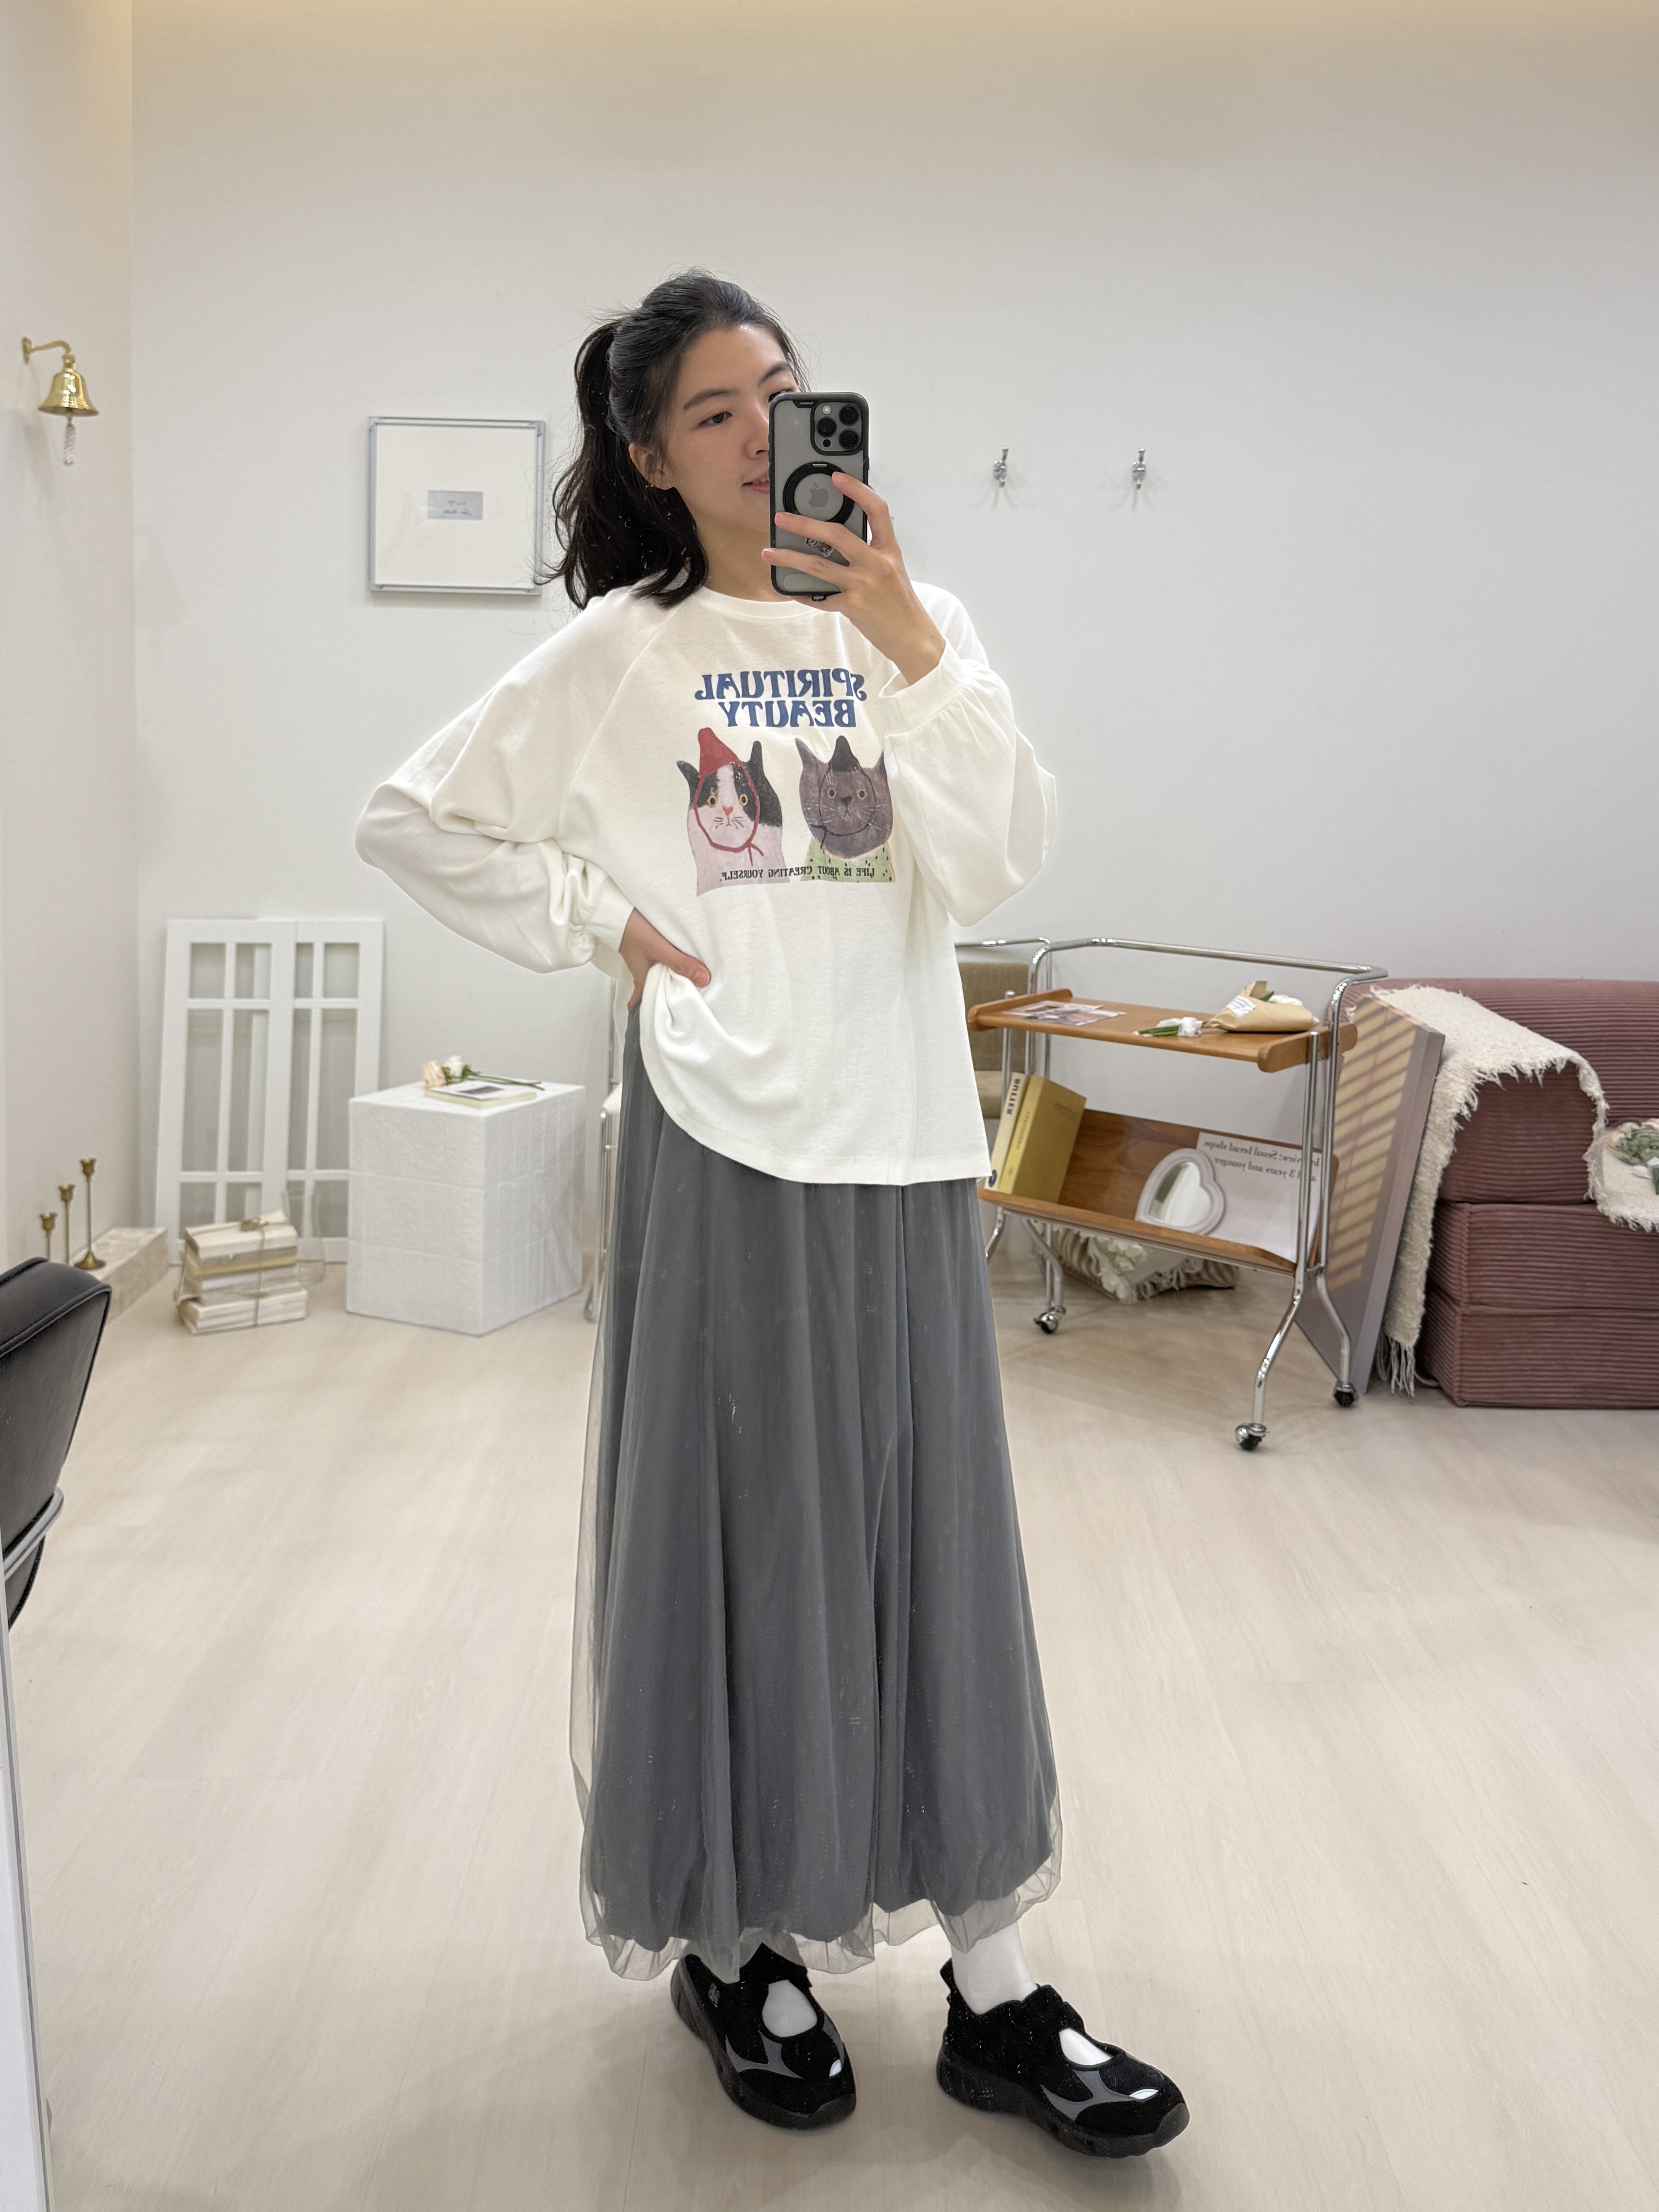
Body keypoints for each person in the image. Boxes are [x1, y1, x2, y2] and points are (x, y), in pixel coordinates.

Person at [356, 270, 1188, 2161]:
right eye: (716, 412)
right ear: (653, 458)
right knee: (738, 1538)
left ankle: (996, 1983)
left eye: (783, 394)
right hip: (728, 1133)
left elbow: (999, 855)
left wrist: (903, 634)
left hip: (900, 1134)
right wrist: (609, 925)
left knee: (928, 1548)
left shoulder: (915, 625)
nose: (760, 434)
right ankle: (741, 1949)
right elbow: (412, 819)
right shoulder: (624, 651)